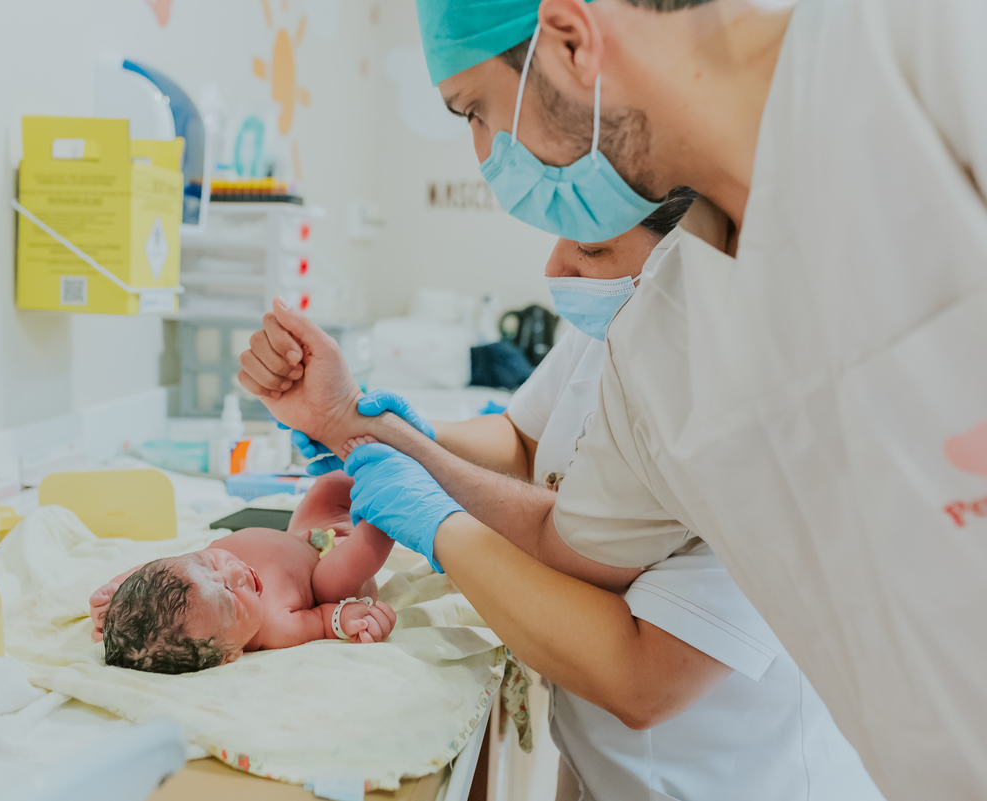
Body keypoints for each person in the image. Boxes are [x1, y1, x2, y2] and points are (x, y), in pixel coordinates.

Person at [246, 0, 987, 795]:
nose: (487, 155)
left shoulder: (925, 53)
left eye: (478, 112)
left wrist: (425, 497)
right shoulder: (659, 332)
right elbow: (571, 542)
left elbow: (643, 672)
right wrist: (373, 439)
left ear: (569, 39)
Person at [243, 221, 884, 799]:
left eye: (593, 247)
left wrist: (434, 515)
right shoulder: (617, 325)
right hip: (605, 766)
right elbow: (525, 445)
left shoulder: (748, 402)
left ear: (684, 253)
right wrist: (361, 422)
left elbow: (643, 679)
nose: (556, 268)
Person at [89, 472, 396, 673]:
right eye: (231, 601)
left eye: (210, 563)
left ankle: (381, 470)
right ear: (228, 655)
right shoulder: (275, 627)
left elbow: (148, 573)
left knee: (328, 486)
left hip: (305, 533)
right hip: (330, 569)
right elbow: (322, 621)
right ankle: (391, 506)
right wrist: (349, 619)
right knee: (333, 580)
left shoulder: (180, 574)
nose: (236, 573)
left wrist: (116, 590)